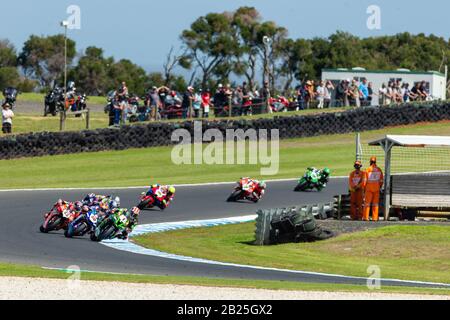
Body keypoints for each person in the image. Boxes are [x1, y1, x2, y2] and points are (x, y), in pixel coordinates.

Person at [363, 157, 384, 222]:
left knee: (367, 204)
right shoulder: (379, 169)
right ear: (375, 162)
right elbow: (381, 180)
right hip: (377, 189)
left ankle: (366, 217)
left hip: (369, 189)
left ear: (370, 162)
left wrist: (364, 188)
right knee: (375, 204)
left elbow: (364, 181)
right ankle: (375, 218)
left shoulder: (368, 169)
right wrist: (379, 186)